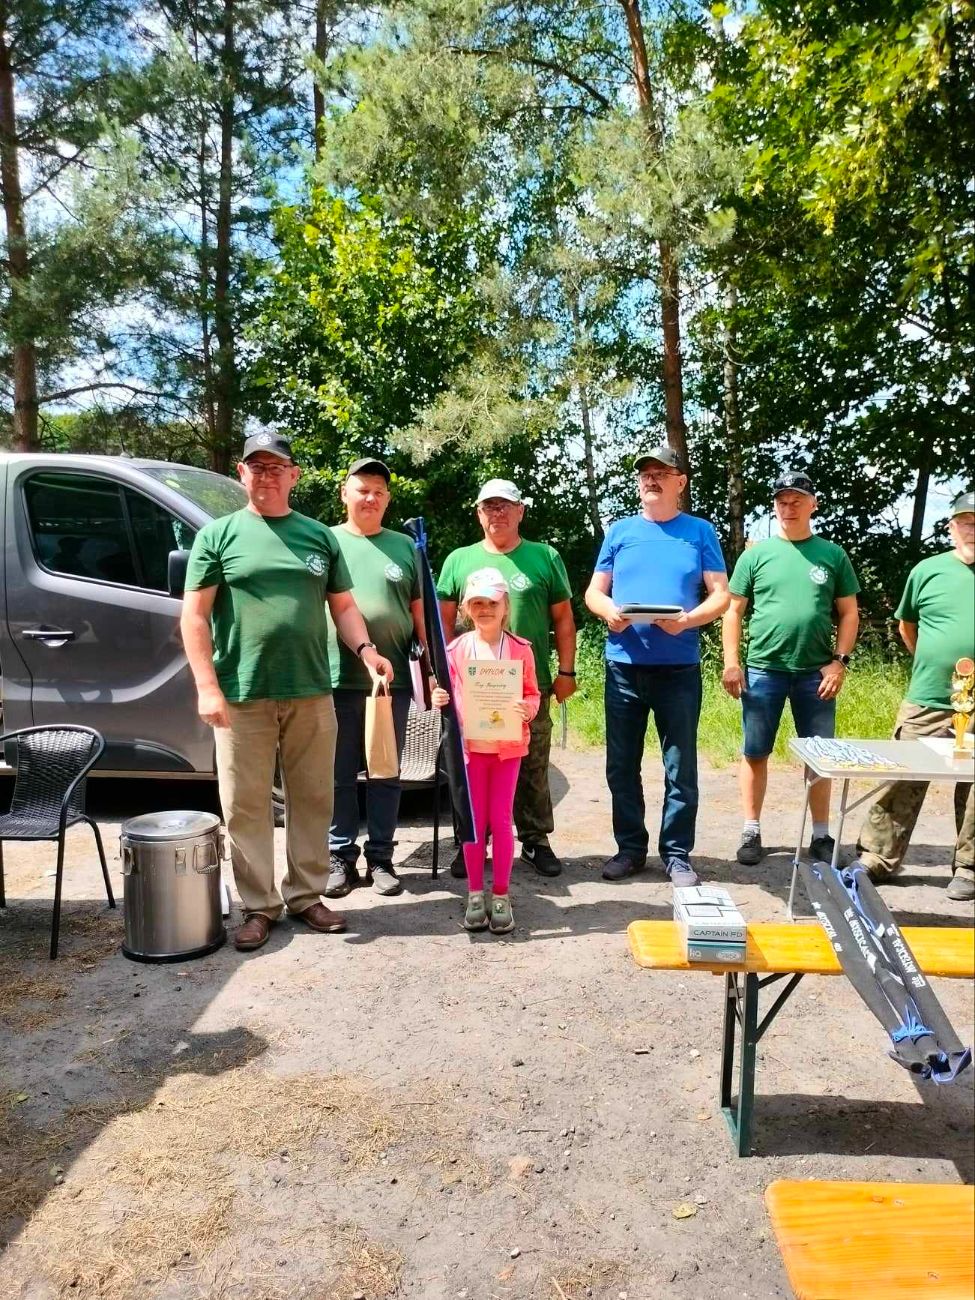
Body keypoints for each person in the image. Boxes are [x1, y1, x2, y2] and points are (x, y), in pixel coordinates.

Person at [180, 431, 394, 953]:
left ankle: (305, 896)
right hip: (242, 693)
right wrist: (207, 687)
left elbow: (342, 606)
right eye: (257, 466)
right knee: (246, 805)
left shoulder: (319, 537)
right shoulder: (218, 535)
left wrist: (366, 650)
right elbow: (194, 614)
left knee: (314, 797)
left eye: (277, 466)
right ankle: (258, 907)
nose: (267, 474)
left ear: (294, 475)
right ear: (242, 473)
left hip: (311, 690)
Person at [584, 444, 729, 888]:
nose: (651, 479)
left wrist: (687, 621)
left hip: (678, 670)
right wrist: (607, 610)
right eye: (645, 473)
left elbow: (720, 595)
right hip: (623, 667)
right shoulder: (620, 532)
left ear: (679, 482)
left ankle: (677, 854)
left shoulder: (700, 532)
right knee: (621, 765)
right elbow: (593, 592)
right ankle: (630, 849)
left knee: (679, 767)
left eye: (661, 472)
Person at [437, 478, 576, 878]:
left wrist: (566, 671)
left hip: (529, 682)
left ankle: (535, 840)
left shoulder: (544, 556)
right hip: (472, 688)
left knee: (531, 764)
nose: (496, 513)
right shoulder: (458, 560)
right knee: (471, 769)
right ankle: (472, 843)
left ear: (520, 511)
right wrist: (443, 675)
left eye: (504, 506)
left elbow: (564, 619)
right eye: (488, 507)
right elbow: (443, 623)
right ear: (479, 514)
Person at [722, 470, 860, 866]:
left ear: (813, 504)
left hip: (816, 672)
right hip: (763, 669)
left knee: (820, 755)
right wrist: (732, 662)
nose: (789, 506)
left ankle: (820, 834)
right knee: (755, 751)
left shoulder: (832, 555)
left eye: (798, 499)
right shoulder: (756, 555)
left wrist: (840, 661)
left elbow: (849, 613)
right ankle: (751, 831)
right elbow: (733, 611)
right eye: (782, 500)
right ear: (775, 506)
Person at [855, 489, 975, 901]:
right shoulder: (927, 571)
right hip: (928, 697)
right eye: (966, 521)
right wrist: (933, 662)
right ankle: (877, 856)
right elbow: (907, 626)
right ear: (952, 527)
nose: (972, 529)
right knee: (902, 774)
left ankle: (969, 867)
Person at [324, 457, 426, 900]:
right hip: (335, 676)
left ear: (387, 499)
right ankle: (339, 856)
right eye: (362, 489)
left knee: (386, 770)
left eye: (379, 492)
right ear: (345, 493)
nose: (370, 498)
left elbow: (421, 614)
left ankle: (381, 858)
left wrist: (433, 670)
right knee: (339, 772)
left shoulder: (405, 546)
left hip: (391, 680)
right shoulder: (324, 540)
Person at [431, 568, 541, 934]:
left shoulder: (521, 649)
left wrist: (528, 708)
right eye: (476, 603)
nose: (484, 609)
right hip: (471, 750)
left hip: (507, 749)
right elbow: (442, 692)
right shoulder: (456, 650)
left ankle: (502, 894)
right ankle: (475, 893)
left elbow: (533, 693)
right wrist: (438, 697)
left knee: (501, 818)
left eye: (491, 602)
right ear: (465, 609)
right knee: (475, 823)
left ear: (505, 606)